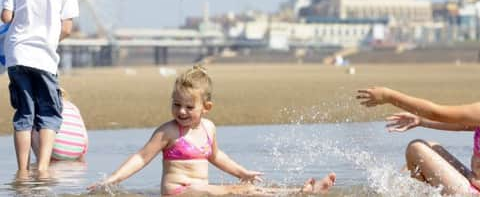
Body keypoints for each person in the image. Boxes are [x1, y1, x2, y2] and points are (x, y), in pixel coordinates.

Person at [88, 65, 336, 196]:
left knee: (246, 189)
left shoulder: (209, 128)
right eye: (176, 105)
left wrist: (242, 172)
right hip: (180, 192)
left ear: (206, 107)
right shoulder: (168, 132)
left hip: (203, 192)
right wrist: (113, 179)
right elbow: (141, 157)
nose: (181, 112)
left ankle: (297, 192)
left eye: (189, 106)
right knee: (226, 192)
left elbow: (216, 156)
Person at [357, 51, 480, 197]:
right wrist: (422, 122)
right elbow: (464, 125)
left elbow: (436, 111)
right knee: (431, 146)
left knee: (416, 148)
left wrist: (389, 96)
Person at [2, 0, 79, 173]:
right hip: (44, 57)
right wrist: (48, 37)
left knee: (24, 113)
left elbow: (6, 17)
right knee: (48, 112)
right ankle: (43, 168)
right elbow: (67, 27)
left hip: (17, 53)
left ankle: (22, 171)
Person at [32, 89, 89, 162]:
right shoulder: (73, 107)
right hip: (78, 150)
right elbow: (84, 134)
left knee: (31, 126)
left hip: (54, 149)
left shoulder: (43, 105)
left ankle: (42, 161)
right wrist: (82, 153)